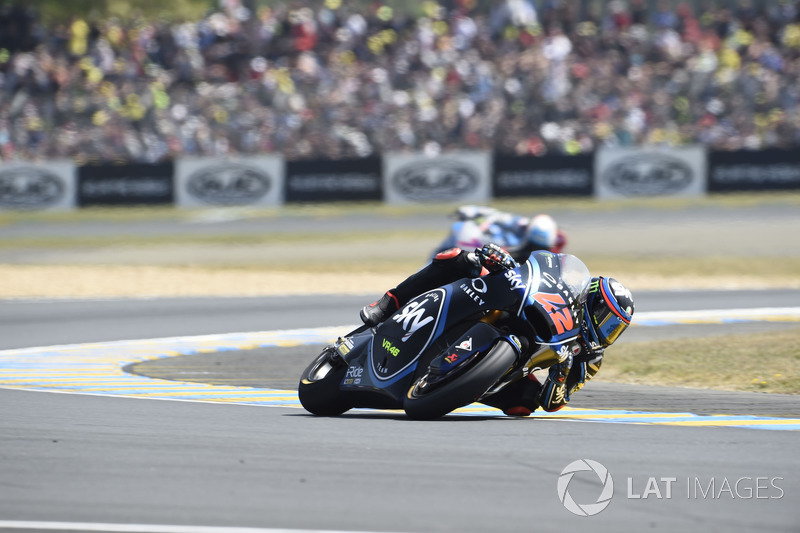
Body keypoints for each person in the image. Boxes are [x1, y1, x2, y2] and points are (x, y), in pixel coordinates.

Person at [360, 243, 634, 417]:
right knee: (460, 259)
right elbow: (529, 266)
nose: (606, 334)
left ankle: (461, 385)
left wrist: (562, 373)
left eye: (615, 330)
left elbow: (554, 403)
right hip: (502, 305)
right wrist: (500, 258)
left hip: (510, 372)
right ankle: (389, 302)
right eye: (606, 321)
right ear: (590, 302)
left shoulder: (591, 360)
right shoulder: (563, 294)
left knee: (525, 405)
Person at [436, 205, 567, 263]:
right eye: (534, 246)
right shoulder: (520, 224)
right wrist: (475, 211)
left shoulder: (557, 247)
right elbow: (498, 216)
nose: (536, 250)